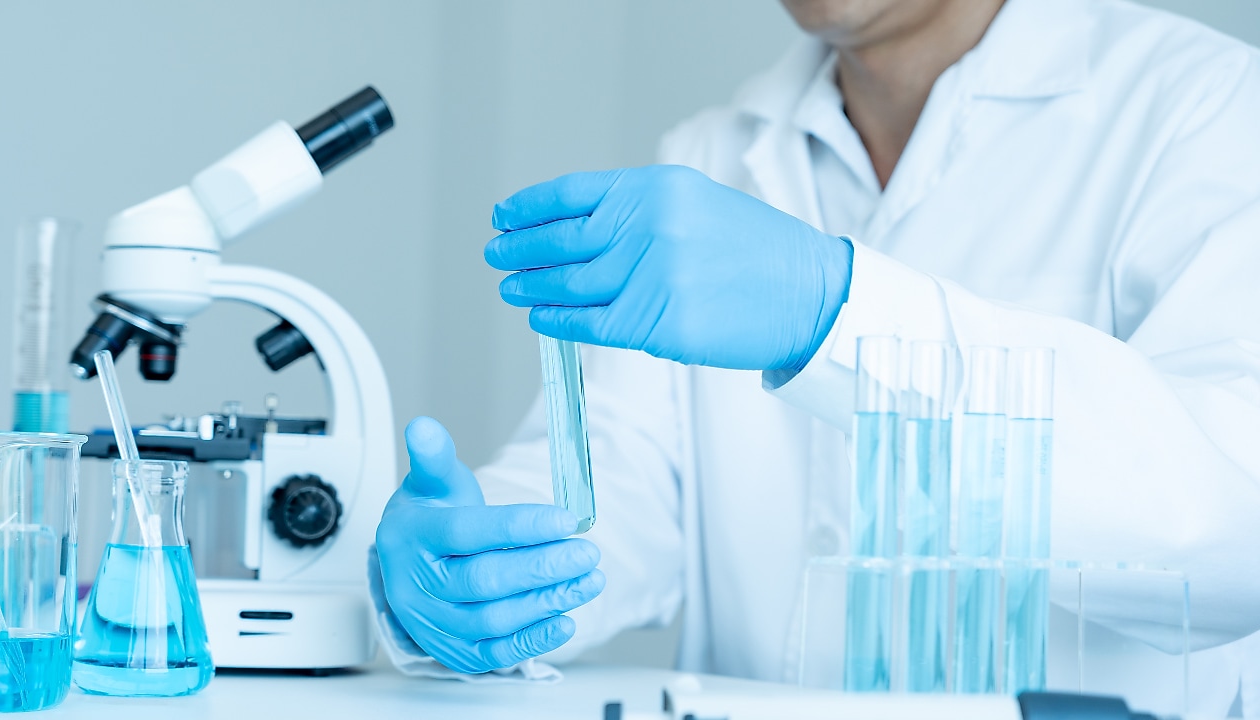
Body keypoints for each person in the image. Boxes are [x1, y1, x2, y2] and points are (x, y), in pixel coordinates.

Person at [372, 0, 1260, 713]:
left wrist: (836, 313)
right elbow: (626, 477)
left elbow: (1232, 532)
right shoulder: (715, 153)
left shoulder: (1209, 109)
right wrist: (481, 561)